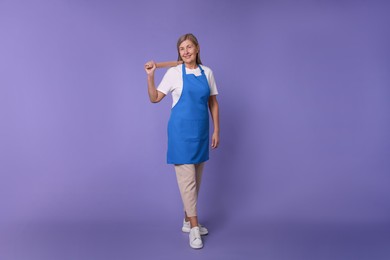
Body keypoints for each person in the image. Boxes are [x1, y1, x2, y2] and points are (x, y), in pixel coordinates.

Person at [144, 33, 220, 249]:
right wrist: (150, 76)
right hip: (180, 135)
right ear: (179, 52)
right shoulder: (174, 73)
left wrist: (217, 130)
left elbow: (213, 103)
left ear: (197, 48)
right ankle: (194, 229)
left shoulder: (208, 73)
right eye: (181, 48)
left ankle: (188, 220)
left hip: (201, 134)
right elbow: (154, 98)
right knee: (187, 183)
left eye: (189, 47)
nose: (185, 51)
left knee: (196, 181)